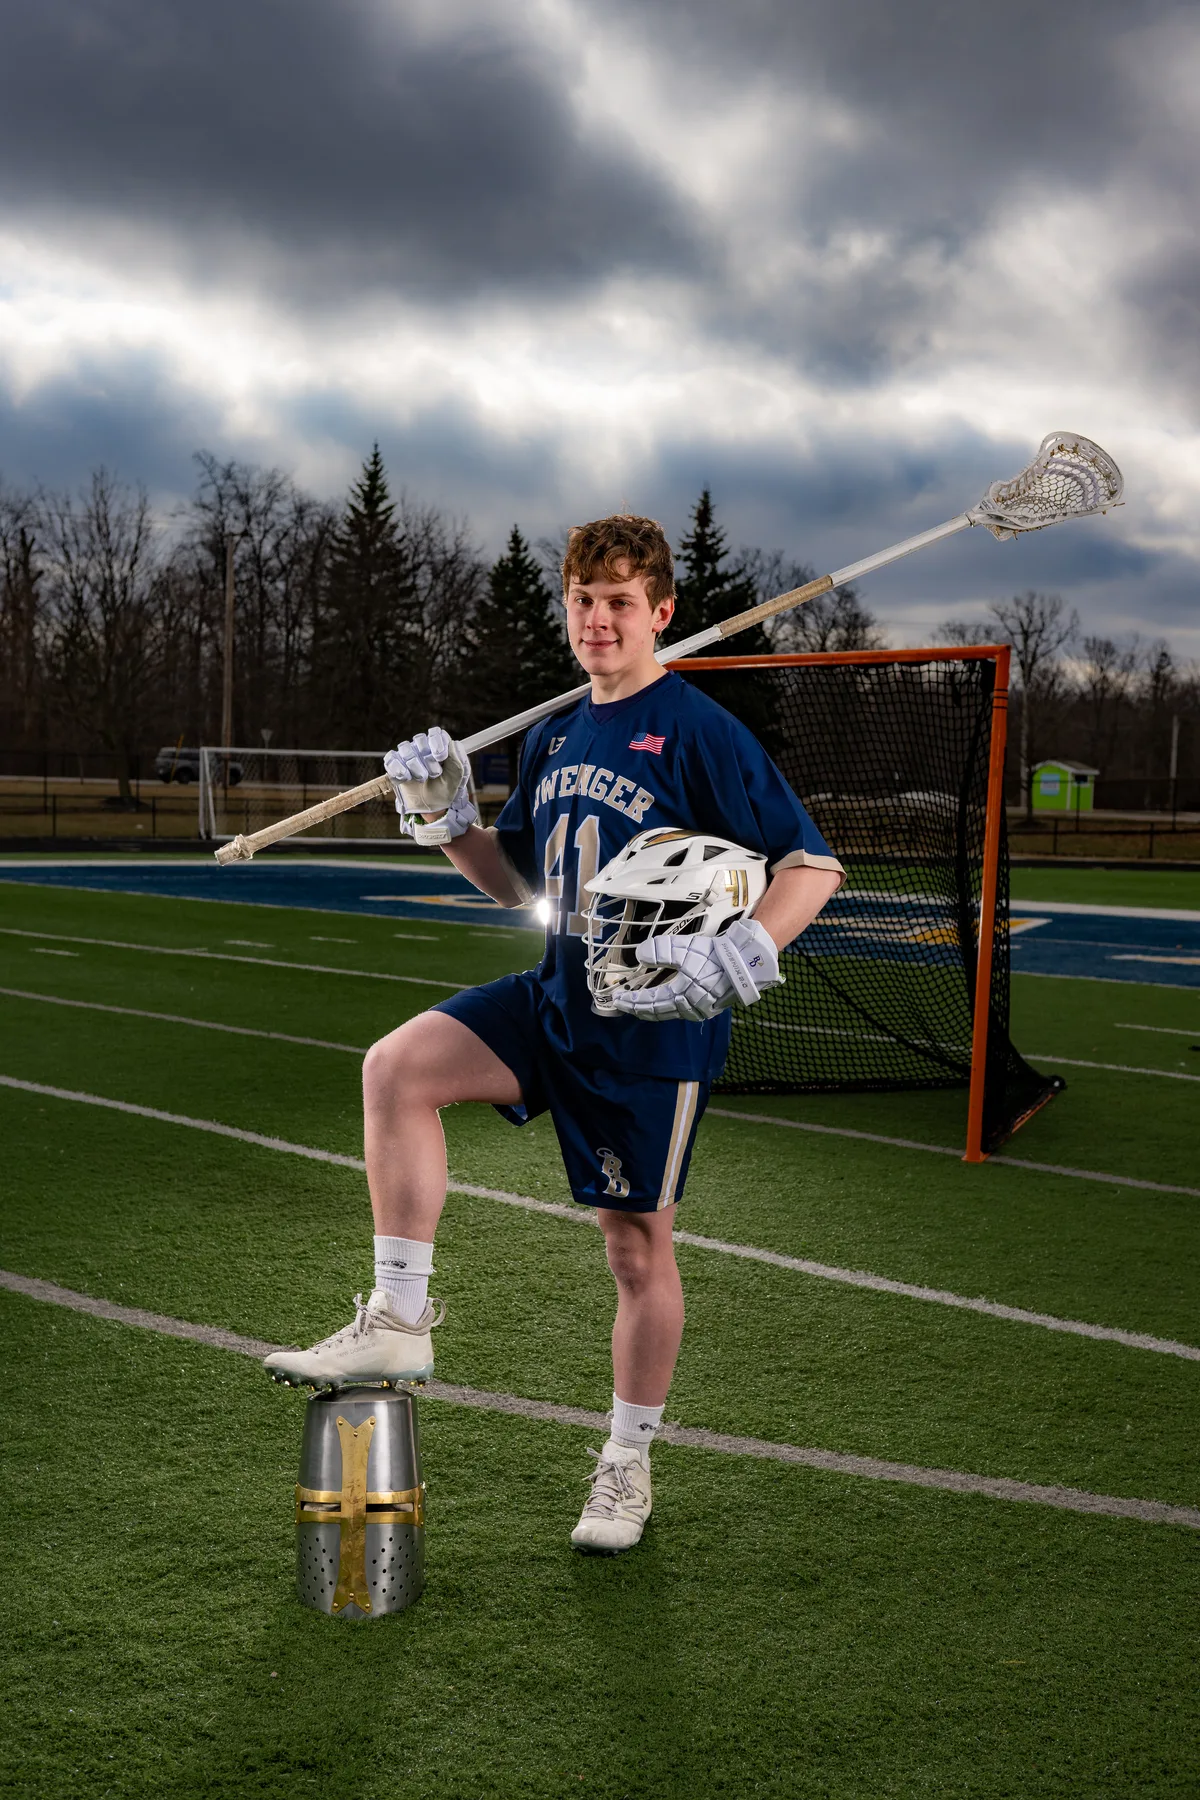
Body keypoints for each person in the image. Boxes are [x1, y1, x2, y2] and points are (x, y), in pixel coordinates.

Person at [265, 514, 844, 1552]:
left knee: (634, 1249)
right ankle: (398, 1321)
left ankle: (626, 1462)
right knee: (396, 1069)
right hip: (558, 989)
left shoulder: (702, 729)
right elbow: (517, 883)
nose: (598, 619)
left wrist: (744, 949)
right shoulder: (556, 732)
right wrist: (449, 822)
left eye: (620, 602)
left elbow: (811, 866)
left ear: (660, 613)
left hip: (653, 1028)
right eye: (583, 600)